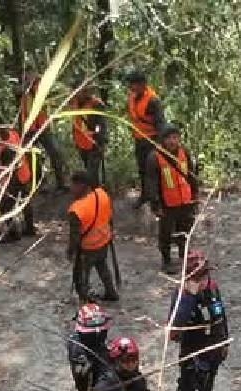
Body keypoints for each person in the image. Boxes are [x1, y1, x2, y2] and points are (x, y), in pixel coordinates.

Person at [166, 250, 229, 391]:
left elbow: (221, 317)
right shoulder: (181, 296)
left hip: (213, 349)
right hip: (192, 352)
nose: (204, 279)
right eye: (199, 276)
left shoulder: (213, 288)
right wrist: (189, 297)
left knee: (207, 386)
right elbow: (174, 332)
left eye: (205, 274)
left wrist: (224, 341)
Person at [145, 124, 199, 273]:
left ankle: (185, 256)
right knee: (166, 233)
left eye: (175, 137)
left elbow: (192, 175)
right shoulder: (154, 157)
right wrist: (155, 204)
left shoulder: (185, 153)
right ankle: (167, 260)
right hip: (167, 203)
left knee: (185, 230)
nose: (172, 141)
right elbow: (151, 182)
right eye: (169, 138)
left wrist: (195, 195)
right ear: (162, 139)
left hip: (186, 201)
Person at [67, 172, 118, 303]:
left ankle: (85, 298)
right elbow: (109, 216)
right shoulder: (102, 194)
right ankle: (111, 292)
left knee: (81, 273)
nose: (71, 188)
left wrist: (70, 252)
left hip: (88, 247)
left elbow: (75, 236)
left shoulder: (76, 209)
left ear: (81, 185)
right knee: (102, 266)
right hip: (104, 240)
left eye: (73, 185)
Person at [17, 73, 66, 191]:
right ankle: (40, 185)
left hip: (43, 128)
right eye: (29, 79)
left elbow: (54, 96)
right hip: (29, 130)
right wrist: (26, 85)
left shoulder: (41, 90)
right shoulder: (23, 92)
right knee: (34, 158)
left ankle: (61, 183)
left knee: (55, 153)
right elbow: (18, 91)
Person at [125, 71, 167, 203]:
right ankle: (144, 196)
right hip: (139, 139)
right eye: (130, 84)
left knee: (154, 170)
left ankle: (158, 199)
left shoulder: (153, 101)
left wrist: (160, 146)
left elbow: (160, 124)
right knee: (142, 169)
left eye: (134, 84)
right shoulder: (132, 97)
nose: (131, 87)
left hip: (152, 140)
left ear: (143, 84)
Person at [67, 302, 113, 391]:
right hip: (91, 387)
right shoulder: (76, 347)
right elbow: (82, 376)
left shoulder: (101, 344)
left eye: (101, 332)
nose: (98, 335)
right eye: (92, 334)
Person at [0, 126, 38, 241]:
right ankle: (30, 228)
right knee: (26, 202)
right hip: (24, 174)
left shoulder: (5, 148)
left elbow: (11, 168)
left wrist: (8, 186)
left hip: (15, 179)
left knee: (5, 206)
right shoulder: (14, 134)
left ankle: (13, 234)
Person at [70, 85, 107, 187]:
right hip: (81, 143)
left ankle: (95, 194)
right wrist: (75, 139)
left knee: (92, 173)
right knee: (88, 170)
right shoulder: (74, 102)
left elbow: (100, 125)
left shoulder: (96, 104)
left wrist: (98, 139)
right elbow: (75, 122)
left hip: (94, 144)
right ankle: (93, 192)